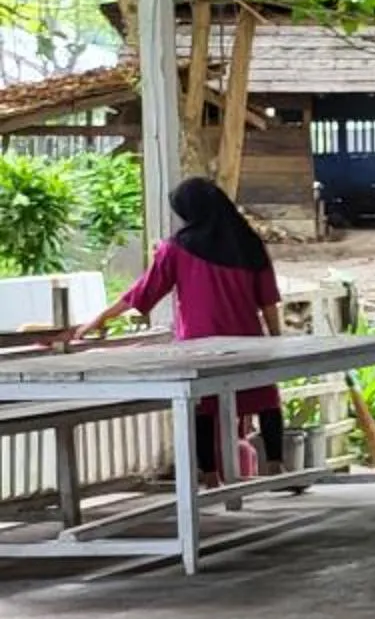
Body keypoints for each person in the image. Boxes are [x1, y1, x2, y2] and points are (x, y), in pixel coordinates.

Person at [59, 176, 287, 486]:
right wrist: (277, 342)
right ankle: (276, 465)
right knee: (265, 399)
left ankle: (208, 475)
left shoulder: (177, 248)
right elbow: (268, 299)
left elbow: (143, 293)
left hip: (199, 345)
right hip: (248, 341)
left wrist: (100, 318)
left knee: (202, 406)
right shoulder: (249, 243)